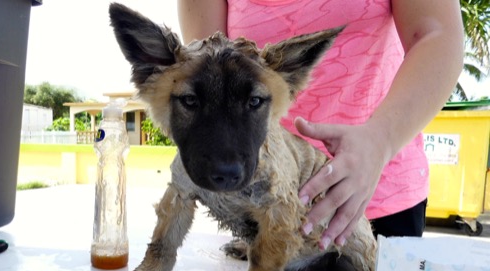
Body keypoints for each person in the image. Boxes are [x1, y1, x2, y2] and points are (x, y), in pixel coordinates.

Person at [177, 0, 464, 247]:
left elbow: (436, 34)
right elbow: (209, 71)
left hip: (379, 201)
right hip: (265, 205)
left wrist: (379, 142)